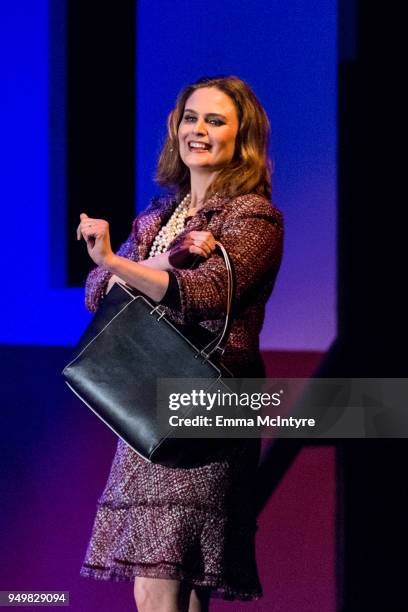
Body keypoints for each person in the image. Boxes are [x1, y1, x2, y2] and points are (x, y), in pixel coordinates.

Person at [77, 75, 283, 612]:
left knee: (161, 578)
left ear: (242, 138)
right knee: (175, 581)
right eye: (191, 117)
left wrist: (121, 266)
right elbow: (100, 293)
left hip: (205, 406)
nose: (199, 130)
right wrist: (157, 260)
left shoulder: (253, 216)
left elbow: (208, 291)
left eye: (215, 121)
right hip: (148, 404)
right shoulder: (159, 216)